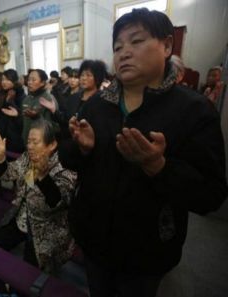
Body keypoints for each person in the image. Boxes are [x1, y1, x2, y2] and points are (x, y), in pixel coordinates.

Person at [60, 8, 227, 297]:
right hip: (93, 239)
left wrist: (160, 167)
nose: (124, 52)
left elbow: (210, 194)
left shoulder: (194, 110)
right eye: (118, 47)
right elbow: (67, 159)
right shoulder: (97, 105)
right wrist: (82, 149)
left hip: (147, 252)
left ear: (166, 46)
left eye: (136, 41)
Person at [0, 119, 77, 273]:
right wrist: (1, 157)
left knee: (30, 273)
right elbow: (8, 175)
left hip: (47, 230)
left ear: (52, 145)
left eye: (35, 142)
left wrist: (43, 176)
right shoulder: (28, 157)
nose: (29, 146)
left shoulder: (66, 166)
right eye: (28, 141)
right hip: (23, 216)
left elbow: (58, 202)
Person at [0, 69, 25, 153]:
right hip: (2, 136)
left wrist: (11, 104)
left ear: (14, 81)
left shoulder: (20, 95)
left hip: (15, 138)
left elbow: (23, 120)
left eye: (7, 79)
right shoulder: (1, 94)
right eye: (3, 79)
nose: (4, 82)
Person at [21, 69, 57, 142]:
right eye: (28, 80)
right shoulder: (26, 99)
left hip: (42, 143)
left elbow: (53, 126)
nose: (29, 83)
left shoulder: (49, 98)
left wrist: (37, 117)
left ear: (42, 83)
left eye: (33, 80)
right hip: (27, 141)